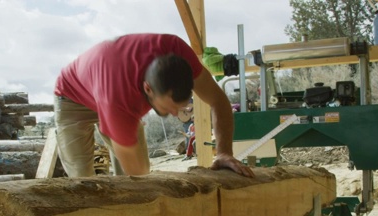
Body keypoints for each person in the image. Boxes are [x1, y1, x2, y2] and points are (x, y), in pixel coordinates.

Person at [53, 33, 254, 178]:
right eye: (168, 108)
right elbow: (137, 173)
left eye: (180, 107)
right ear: (148, 89)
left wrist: (224, 152)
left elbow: (219, 102)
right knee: (82, 179)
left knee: (135, 178)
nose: (175, 114)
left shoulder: (180, 54)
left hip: (110, 83)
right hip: (73, 97)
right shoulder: (119, 99)